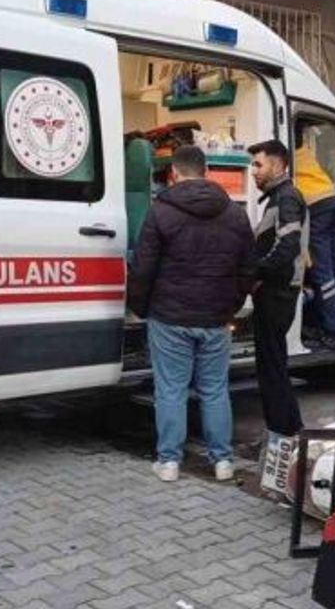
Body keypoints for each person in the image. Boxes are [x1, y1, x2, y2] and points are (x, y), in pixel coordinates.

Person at [128, 145, 256, 483]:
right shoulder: (234, 213)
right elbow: (248, 267)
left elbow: (143, 267)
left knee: (171, 389)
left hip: (169, 317)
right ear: (206, 171)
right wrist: (231, 304)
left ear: (173, 173)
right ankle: (223, 461)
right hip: (215, 317)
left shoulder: (160, 212)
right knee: (215, 389)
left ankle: (169, 461)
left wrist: (141, 307)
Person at [246, 139, 306, 438]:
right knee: (274, 365)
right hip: (275, 290)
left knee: (271, 367)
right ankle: (289, 429)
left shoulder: (287, 197)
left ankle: (281, 433)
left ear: (278, 165)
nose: (253, 171)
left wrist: (257, 272)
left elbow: (287, 245)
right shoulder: (278, 197)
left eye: (258, 164)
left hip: (277, 292)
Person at [294, 120, 335, 349]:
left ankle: (331, 330)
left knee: (323, 273)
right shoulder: (303, 151)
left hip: (316, 209)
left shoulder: (285, 155)